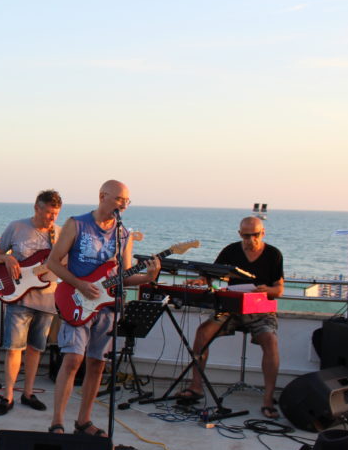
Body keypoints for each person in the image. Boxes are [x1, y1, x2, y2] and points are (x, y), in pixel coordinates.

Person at [45, 180, 160, 436]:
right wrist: (80, 284)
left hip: (107, 306)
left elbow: (124, 276)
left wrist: (148, 277)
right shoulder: (77, 224)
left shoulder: (123, 234)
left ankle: (83, 421)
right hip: (76, 300)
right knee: (73, 359)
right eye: (119, 199)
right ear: (102, 196)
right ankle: (57, 422)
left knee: (97, 364)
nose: (123, 205)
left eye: (126, 201)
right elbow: (52, 262)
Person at [178, 216, 284, 418]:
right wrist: (201, 281)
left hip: (260, 309)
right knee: (203, 333)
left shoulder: (273, 254)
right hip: (231, 308)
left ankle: (268, 399)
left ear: (263, 233)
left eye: (255, 235)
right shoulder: (230, 251)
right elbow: (211, 275)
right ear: (240, 234)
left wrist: (267, 290)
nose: (251, 239)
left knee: (270, 341)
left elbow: (279, 289)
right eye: (246, 235)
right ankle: (196, 387)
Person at [0, 189, 63, 416]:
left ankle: (28, 393)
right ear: (36, 208)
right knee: (13, 348)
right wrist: (7, 258)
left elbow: (66, 265)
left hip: (47, 299)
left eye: (56, 213)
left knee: (35, 349)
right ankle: (8, 396)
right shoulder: (17, 227)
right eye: (48, 213)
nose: (52, 218)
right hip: (19, 298)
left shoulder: (60, 234)